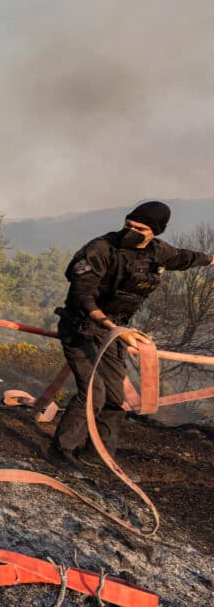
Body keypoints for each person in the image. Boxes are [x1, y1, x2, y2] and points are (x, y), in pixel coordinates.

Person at [48, 201, 214, 471]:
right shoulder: (100, 249)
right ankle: (60, 452)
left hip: (117, 331)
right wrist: (108, 325)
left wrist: (211, 259)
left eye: (140, 228)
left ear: (155, 232)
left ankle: (97, 453)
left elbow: (185, 258)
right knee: (94, 392)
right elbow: (82, 296)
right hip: (81, 328)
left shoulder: (158, 252)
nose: (131, 230)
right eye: (129, 224)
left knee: (116, 398)